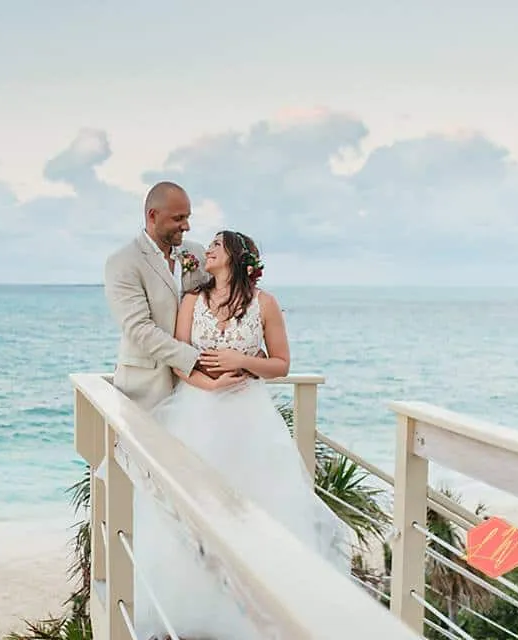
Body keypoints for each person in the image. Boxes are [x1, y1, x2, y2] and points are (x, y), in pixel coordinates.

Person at [129, 230, 352, 640]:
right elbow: (180, 360)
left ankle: (253, 614)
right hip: (196, 413)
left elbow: (281, 364)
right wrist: (209, 385)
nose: (207, 249)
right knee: (192, 512)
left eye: (216, 244)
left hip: (250, 419)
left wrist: (242, 360)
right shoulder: (191, 302)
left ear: (234, 256)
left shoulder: (264, 305)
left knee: (253, 509)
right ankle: (195, 610)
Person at [103, 181, 244, 410]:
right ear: (153, 215)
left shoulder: (197, 253)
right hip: (146, 388)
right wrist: (197, 361)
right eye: (178, 219)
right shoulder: (123, 262)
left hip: (198, 392)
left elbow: (223, 297)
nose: (186, 226)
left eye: (188, 217)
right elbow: (140, 330)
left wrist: (246, 346)